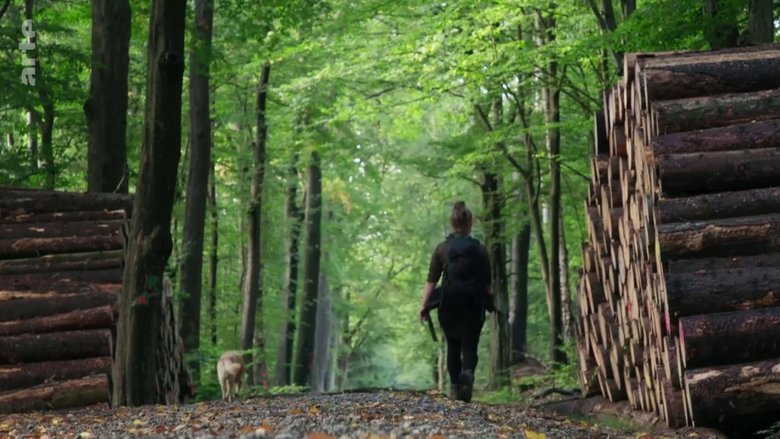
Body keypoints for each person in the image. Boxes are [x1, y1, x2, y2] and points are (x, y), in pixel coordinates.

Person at [419, 201, 492, 402]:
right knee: (470, 346)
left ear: (453, 224)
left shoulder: (442, 249)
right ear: (470, 224)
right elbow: (488, 283)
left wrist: (424, 305)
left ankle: (454, 388)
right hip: (473, 304)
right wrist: (489, 301)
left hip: (449, 306)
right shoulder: (481, 250)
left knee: (453, 346)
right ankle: (467, 373)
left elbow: (431, 280)